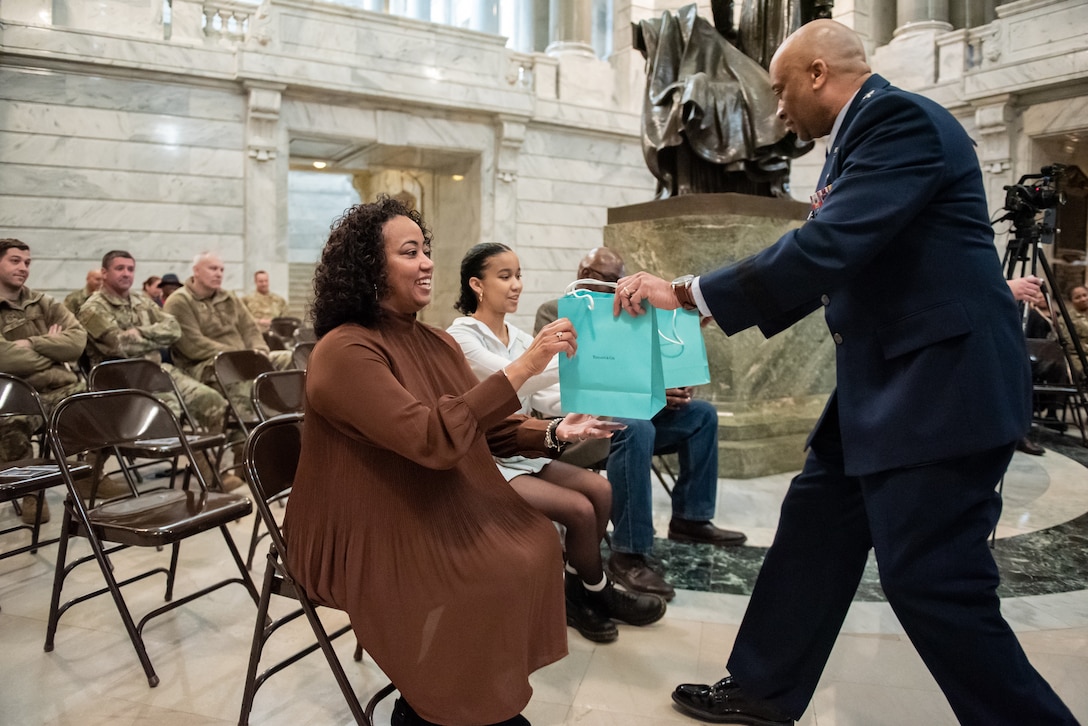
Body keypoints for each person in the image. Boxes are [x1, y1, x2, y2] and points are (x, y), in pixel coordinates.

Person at [613, 20, 1077, 725]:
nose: (775, 110)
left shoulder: (899, 121)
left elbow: (829, 245)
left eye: (778, 90)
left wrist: (686, 293)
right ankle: (765, 689)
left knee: (934, 583)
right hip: (887, 383)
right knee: (813, 534)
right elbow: (860, 255)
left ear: (819, 72)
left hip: (939, 391)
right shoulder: (856, 141)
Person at [283, 197, 623, 726]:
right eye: (409, 252)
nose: (427, 263)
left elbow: (492, 430)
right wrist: (525, 367)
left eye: (427, 250)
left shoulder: (435, 343)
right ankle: (437, 707)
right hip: (361, 523)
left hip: (418, 494)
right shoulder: (344, 351)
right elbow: (431, 438)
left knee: (530, 544)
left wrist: (557, 430)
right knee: (486, 570)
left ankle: (469, 696)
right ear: (369, 268)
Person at [446, 242, 667, 644]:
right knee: (580, 511)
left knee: (601, 489)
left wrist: (611, 389)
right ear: (476, 284)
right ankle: (599, 592)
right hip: (486, 458)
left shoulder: (517, 337)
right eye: (505, 276)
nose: (516, 285)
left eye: (519, 275)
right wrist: (566, 357)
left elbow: (546, 397)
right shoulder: (461, 336)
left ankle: (576, 592)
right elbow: (512, 380)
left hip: (521, 446)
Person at [536, 247, 746, 602]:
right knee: (636, 427)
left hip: (633, 417)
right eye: (604, 278)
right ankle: (628, 554)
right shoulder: (557, 311)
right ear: (583, 270)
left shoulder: (631, 311)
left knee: (700, 416)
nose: (612, 286)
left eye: (618, 278)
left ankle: (690, 519)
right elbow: (570, 378)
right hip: (581, 425)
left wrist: (676, 377)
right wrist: (651, 388)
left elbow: (655, 363)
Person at [77, 251, 242, 490]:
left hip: (156, 370)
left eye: (130, 269)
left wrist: (141, 333)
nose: (126, 273)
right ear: (104, 273)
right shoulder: (92, 309)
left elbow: (174, 330)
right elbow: (120, 345)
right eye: (119, 268)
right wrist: (152, 336)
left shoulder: (141, 302)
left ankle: (212, 467)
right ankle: (210, 477)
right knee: (170, 412)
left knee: (213, 402)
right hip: (120, 377)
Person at [0, 239, 126, 525]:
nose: (23, 267)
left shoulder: (43, 302)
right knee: (10, 425)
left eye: (27, 262)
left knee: (109, 405)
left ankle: (89, 473)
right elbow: (4, 360)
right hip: (13, 395)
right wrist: (52, 346)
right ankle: (33, 493)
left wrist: (30, 343)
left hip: (61, 387)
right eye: (15, 260)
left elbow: (76, 343)